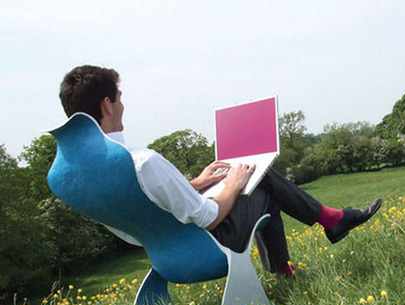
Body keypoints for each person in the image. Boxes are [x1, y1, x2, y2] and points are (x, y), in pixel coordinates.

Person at [58, 65, 382, 275]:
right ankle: (328, 224)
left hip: (164, 260)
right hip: (208, 249)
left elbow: (146, 202)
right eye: (119, 96)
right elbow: (208, 217)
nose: (123, 103)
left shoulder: (83, 177)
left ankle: (316, 237)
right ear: (107, 104)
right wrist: (236, 182)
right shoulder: (142, 161)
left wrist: (196, 183)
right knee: (259, 178)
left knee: (254, 179)